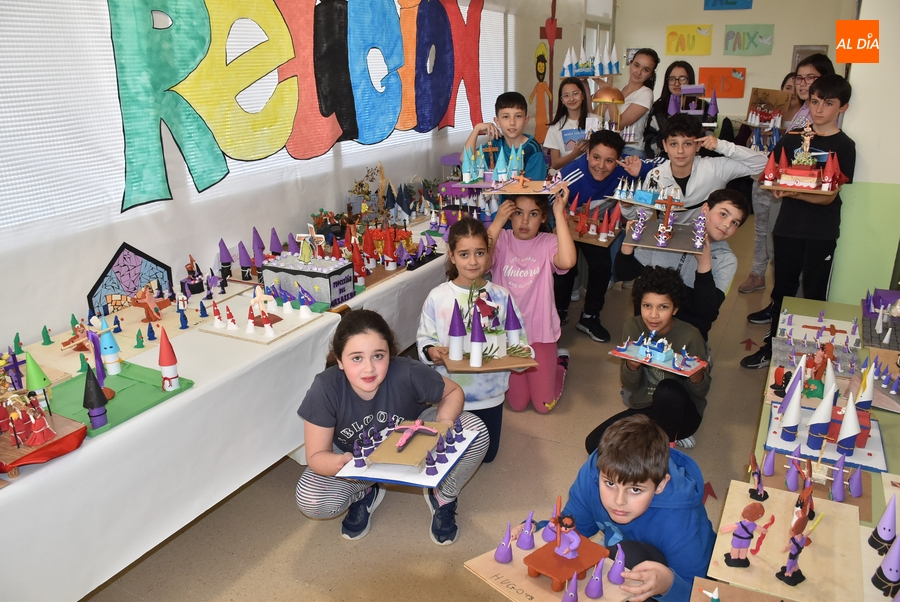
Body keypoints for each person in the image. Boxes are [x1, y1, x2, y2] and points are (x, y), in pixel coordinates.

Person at [295, 309, 489, 545]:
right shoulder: (325, 388)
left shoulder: (406, 371)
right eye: (356, 358)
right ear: (339, 361)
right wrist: (343, 466)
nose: (369, 368)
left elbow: (453, 391)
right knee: (311, 499)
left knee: (475, 431)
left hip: (417, 439)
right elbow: (316, 455)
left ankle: (444, 495)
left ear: (390, 354)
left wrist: (444, 424)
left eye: (378, 356)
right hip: (360, 461)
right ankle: (364, 491)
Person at [515, 415, 714, 602]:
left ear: (661, 484)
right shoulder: (594, 474)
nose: (619, 501)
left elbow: (705, 595)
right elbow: (572, 530)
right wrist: (538, 529)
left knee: (628, 555)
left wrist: (669, 584)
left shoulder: (681, 523)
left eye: (635, 489)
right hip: (621, 553)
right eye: (610, 484)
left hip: (673, 581)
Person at [742, 74, 855, 369]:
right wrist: (783, 188)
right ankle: (773, 348)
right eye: (815, 101)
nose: (819, 109)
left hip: (821, 232)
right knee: (782, 291)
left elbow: (828, 197)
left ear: (842, 107)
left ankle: (811, 356)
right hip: (788, 229)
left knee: (814, 294)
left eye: (828, 103)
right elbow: (772, 175)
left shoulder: (844, 145)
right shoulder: (792, 138)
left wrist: (792, 191)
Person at [418, 217, 525, 463]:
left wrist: (518, 354)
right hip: (450, 394)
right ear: (452, 256)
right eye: (464, 254)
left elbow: (519, 342)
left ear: (489, 254)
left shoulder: (501, 296)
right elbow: (424, 338)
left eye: (479, 253)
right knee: (448, 455)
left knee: (487, 457)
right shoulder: (438, 297)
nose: (473, 261)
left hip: (490, 395)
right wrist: (432, 351)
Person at [584, 267, 710, 451]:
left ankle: (670, 443)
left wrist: (696, 377)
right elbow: (630, 385)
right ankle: (654, 439)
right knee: (594, 445)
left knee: (666, 390)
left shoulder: (690, 336)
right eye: (647, 305)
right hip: (646, 409)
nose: (653, 315)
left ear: (675, 309)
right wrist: (632, 366)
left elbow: (701, 393)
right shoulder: (633, 328)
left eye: (663, 307)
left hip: (682, 414)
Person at [552, 130, 657, 339]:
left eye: (609, 161)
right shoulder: (571, 174)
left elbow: (663, 166)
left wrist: (642, 167)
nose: (601, 166)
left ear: (618, 160)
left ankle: (589, 317)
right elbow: (551, 203)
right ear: (588, 153)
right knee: (565, 269)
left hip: (599, 228)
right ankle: (559, 312)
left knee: (602, 267)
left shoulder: (627, 167)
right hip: (568, 226)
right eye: (596, 158)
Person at [615, 189, 749, 341]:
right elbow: (624, 274)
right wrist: (627, 247)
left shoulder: (727, 260)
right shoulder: (666, 234)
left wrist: (704, 264)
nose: (726, 225)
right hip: (647, 329)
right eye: (723, 214)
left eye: (735, 223)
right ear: (705, 209)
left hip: (688, 337)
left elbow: (707, 312)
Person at [488, 188, 577, 412]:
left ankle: (560, 364)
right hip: (510, 337)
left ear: (543, 217)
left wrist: (559, 212)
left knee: (544, 406)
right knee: (517, 405)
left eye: (534, 214)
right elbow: (481, 260)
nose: (524, 220)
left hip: (541, 334)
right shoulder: (502, 240)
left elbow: (567, 261)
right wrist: (498, 222)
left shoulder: (547, 242)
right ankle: (542, 372)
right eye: (518, 213)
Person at [623, 113, 767, 225]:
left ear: (698, 145)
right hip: (667, 238)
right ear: (665, 146)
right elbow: (643, 215)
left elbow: (762, 164)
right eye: (673, 144)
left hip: (704, 237)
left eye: (687, 144)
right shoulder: (656, 175)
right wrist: (627, 206)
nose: (680, 151)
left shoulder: (715, 168)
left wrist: (722, 145)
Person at [738, 72, 803, 294]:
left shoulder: (806, 119)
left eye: (797, 87)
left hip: (788, 186)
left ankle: (780, 281)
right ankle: (757, 274)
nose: (792, 92)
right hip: (762, 180)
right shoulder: (767, 113)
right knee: (761, 230)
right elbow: (749, 145)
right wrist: (761, 134)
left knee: (780, 235)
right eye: (787, 87)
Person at [464, 91, 548, 181]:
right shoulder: (496, 144)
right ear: (497, 121)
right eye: (506, 117)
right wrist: (476, 129)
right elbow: (466, 158)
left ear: (526, 120)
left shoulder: (533, 149)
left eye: (518, 116)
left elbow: (534, 188)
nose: (512, 123)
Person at [645, 61, 710, 158]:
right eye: (672, 79)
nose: (676, 83)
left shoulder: (704, 106)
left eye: (682, 78)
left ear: (690, 80)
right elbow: (649, 141)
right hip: (664, 161)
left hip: (697, 161)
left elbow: (708, 138)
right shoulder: (657, 108)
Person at [602, 48, 658, 158]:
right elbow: (594, 116)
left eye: (646, 69)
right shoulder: (617, 90)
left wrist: (610, 95)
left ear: (651, 74)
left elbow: (618, 125)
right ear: (630, 64)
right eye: (636, 65)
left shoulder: (646, 93)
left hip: (631, 150)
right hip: (608, 147)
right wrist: (584, 84)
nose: (638, 72)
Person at [543, 77, 591, 170]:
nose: (571, 99)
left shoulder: (596, 120)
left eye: (575, 93)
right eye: (566, 95)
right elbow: (555, 164)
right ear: (562, 100)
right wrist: (575, 153)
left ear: (583, 96)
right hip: (566, 178)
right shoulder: (555, 127)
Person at [786, 53, 835, 132]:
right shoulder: (804, 107)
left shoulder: (822, 114)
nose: (802, 84)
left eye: (810, 78)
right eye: (799, 78)